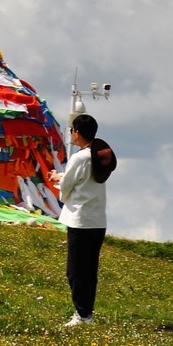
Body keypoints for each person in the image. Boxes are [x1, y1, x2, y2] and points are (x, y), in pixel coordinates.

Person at [50, 113, 110, 327]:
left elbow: (68, 185)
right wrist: (64, 178)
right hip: (97, 219)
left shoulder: (79, 157)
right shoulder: (100, 153)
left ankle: (83, 314)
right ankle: (87, 312)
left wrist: (60, 182)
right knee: (89, 269)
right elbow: (84, 180)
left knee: (75, 270)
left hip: (80, 219)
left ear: (77, 132)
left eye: (72, 131)